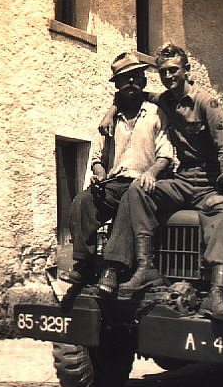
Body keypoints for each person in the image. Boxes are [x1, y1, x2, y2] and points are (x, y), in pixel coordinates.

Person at [101, 43, 223, 322]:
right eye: (163, 72)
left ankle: (216, 293)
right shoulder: (164, 100)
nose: (168, 76)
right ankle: (144, 269)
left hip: (208, 183)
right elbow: (135, 95)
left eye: (174, 70)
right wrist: (111, 110)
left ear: (186, 71)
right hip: (181, 178)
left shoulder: (207, 103)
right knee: (137, 190)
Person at [65, 52, 174, 296]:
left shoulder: (157, 114)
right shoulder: (110, 120)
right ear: (117, 86)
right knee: (83, 201)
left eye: (136, 77)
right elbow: (97, 156)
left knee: (130, 197)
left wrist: (153, 173)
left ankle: (112, 269)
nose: (132, 83)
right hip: (115, 182)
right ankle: (83, 263)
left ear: (144, 81)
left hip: (146, 184)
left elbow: (166, 155)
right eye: (125, 79)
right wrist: (99, 172)